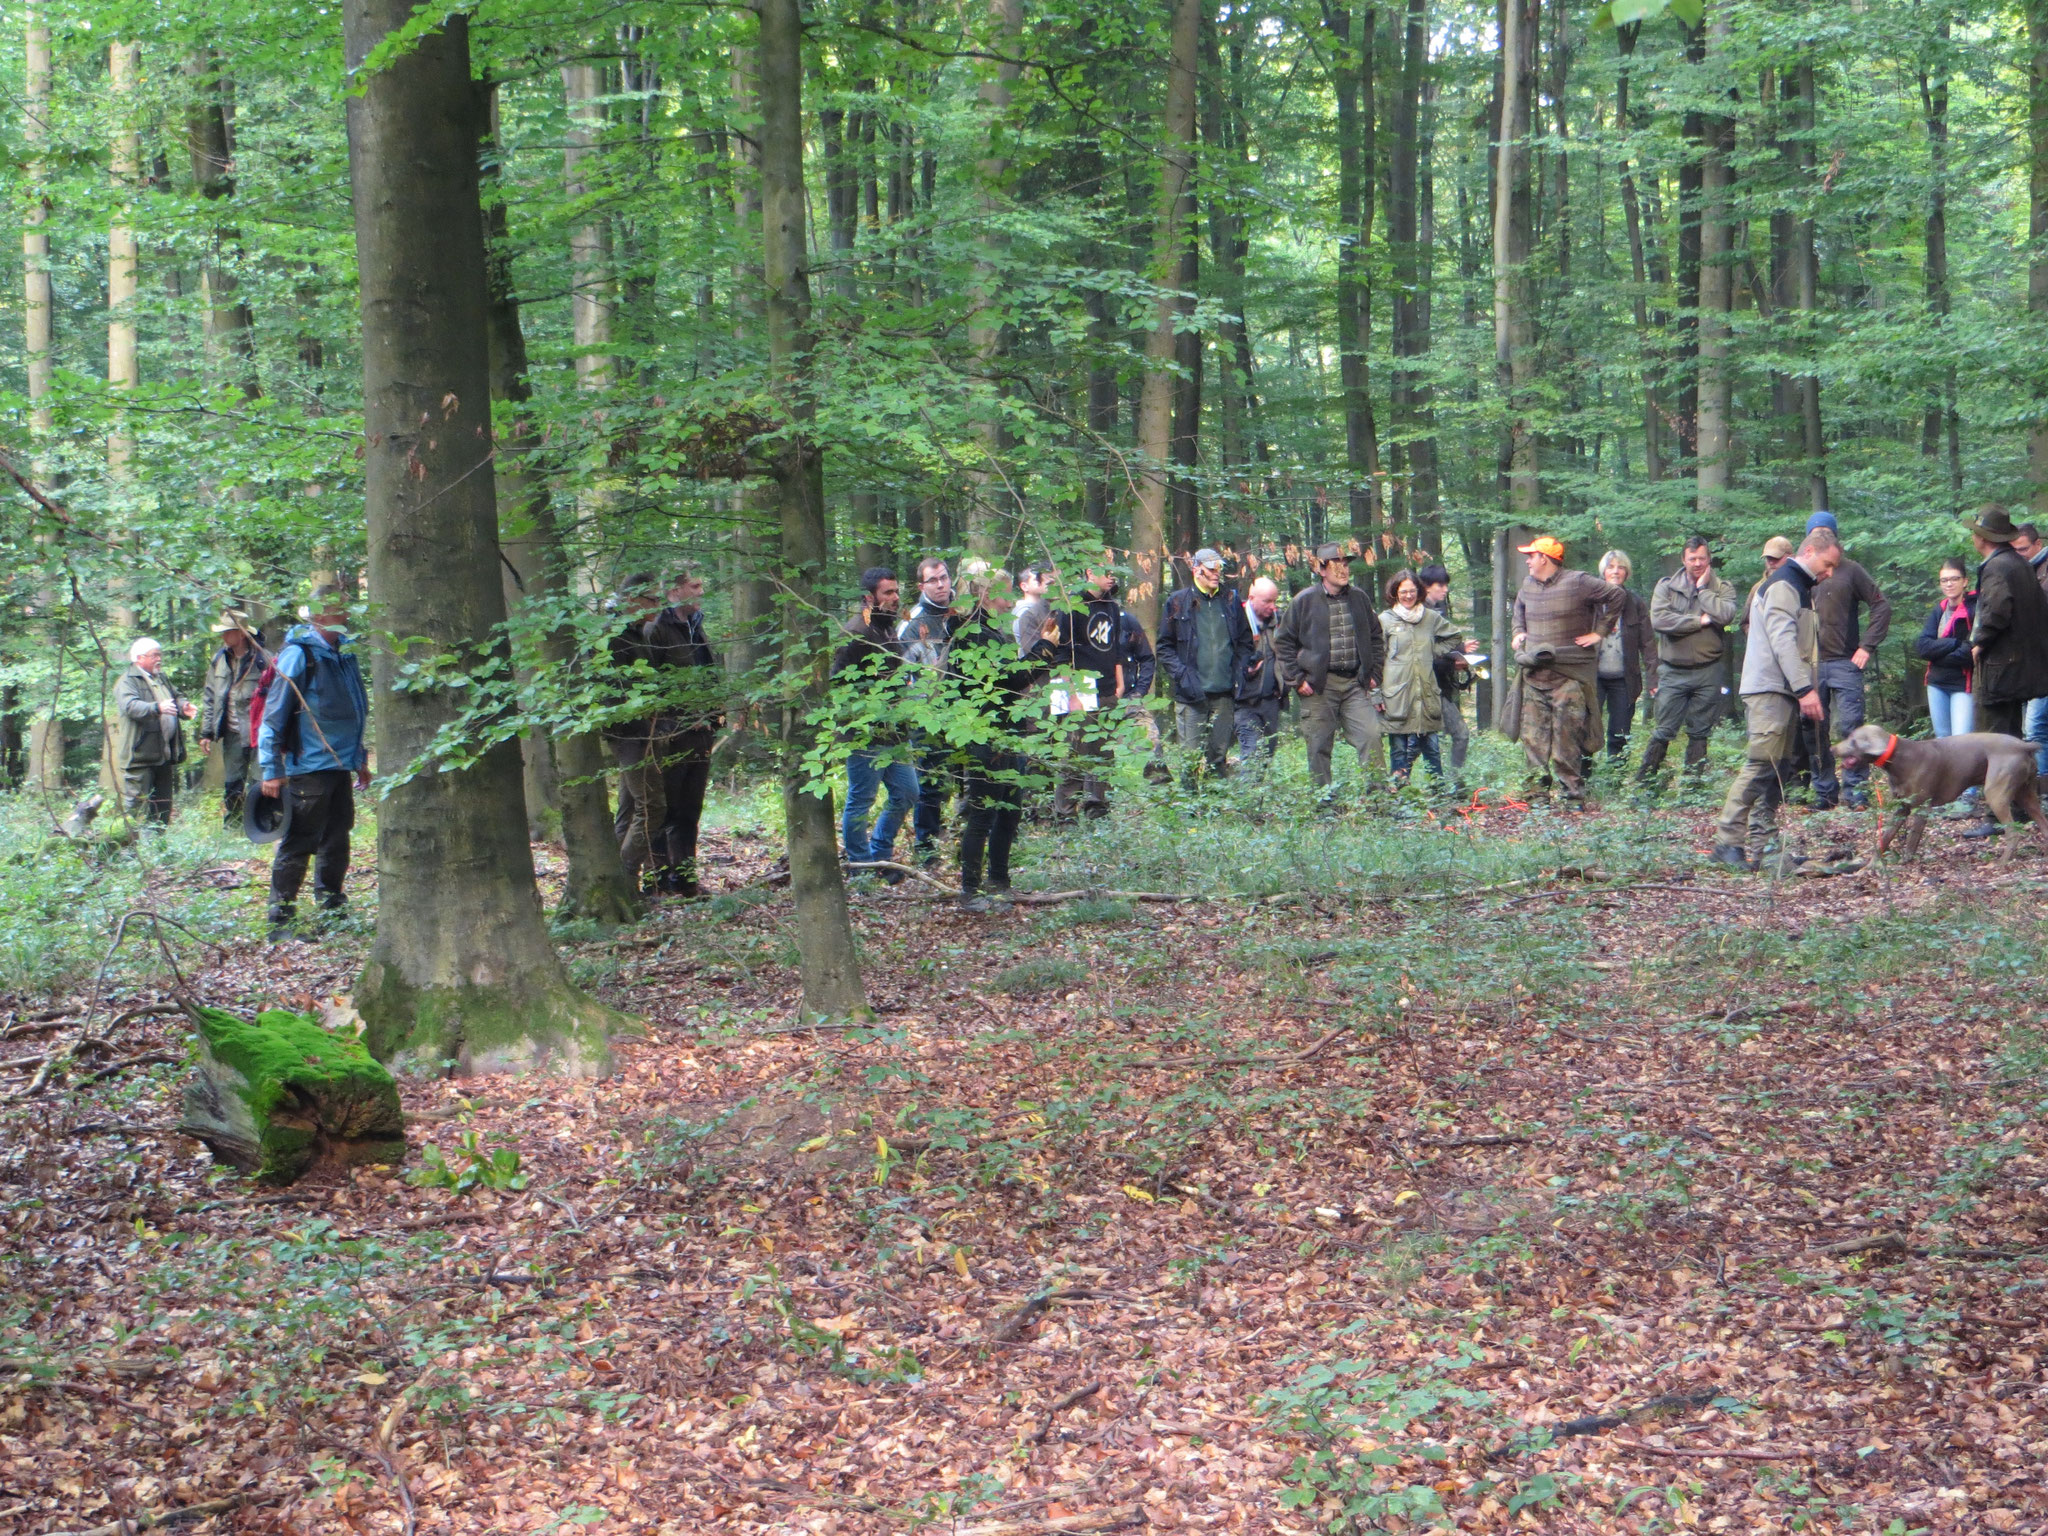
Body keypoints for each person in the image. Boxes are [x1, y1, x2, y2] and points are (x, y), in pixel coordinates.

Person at [1711, 527, 1841, 870]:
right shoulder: (1784, 585)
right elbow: (1783, 641)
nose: (1829, 573)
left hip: (1782, 690)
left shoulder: (1799, 586)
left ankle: (1765, 846)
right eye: (1827, 564)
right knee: (1760, 765)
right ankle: (1727, 843)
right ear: (1810, 552)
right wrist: (1805, 689)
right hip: (1769, 688)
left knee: (1778, 769)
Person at [257, 581, 371, 933]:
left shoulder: (344, 654)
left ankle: (331, 913)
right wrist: (271, 769)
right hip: (308, 767)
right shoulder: (299, 654)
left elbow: (355, 711)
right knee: (300, 840)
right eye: (341, 608)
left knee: (337, 839)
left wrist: (360, 759)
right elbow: (273, 715)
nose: (347, 615)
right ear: (321, 614)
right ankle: (281, 921)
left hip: (339, 765)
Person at [947, 561, 1059, 910]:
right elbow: (1009, 681)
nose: (1010, 599)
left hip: (1008, 732)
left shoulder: (992, 631)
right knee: (983, 813)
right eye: (1004, 591)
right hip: (984, 736)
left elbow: (1011, 678)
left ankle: (999, 880)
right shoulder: (971, 634)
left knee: (1010, 810)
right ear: (985, 594)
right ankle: (970, 891)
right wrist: (1043, 648)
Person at [1506, 536, 1624, 808]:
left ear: (1544, 559)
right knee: (1533, 741)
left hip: (1569, 677)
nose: (1527, 560)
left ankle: (1572, 796)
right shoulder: (1527, 584)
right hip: (1534, 676)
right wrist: (1518, 631)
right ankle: (1537, 797)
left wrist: (1599, 633)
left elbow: (1617, 595)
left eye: (1531, 556)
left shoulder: (1579, 582)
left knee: (1567, 741)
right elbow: (1519, 608)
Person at [1274, 542, 1386, 794]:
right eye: (1336, 565)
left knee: (1371, 735)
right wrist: (1296, 679)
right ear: (1321, 569)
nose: (1343, 570)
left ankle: (1380, 798)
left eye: (1345, 564)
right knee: (1318, 744)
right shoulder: (1304, 601)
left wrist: (1374, 673)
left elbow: (1376, 637)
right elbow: (1283, 642)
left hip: (1354, 683)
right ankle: (1323, 800)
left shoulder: (1359, 598)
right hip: (1318, 686)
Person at [1804, 511, 1891, 809]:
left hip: (1845, 662)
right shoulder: (1801, 573)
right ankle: (1824, 792)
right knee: (1814, 728)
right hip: (1811, 665)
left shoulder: (1851, 570)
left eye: (1827, 532)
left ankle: (1856, 792)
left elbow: (1881, 606)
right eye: (1816, 532)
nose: (1822, 536)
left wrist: (1866, 646)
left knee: (1851, 727)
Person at [642, 569, 721, 896]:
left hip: (701, 736)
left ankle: (685, 879)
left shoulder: (697, 627)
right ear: (675, 591)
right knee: (664, 811)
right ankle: (656, 882)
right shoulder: (656, 630)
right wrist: (670, 726)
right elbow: (648, 687)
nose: (702, 591)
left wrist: (715, 719)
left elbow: (711, 679)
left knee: (690, 812)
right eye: (696, 585)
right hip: (670, 738)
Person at [833, 568, 916, 879]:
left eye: (896, 592)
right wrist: (869, 710)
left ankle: (880, 856)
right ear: (869, 597)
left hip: (895, 732)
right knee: (861, 799)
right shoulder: (856, 632)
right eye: (887, 593)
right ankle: (861, 866)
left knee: (908, 793)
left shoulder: (887, 628)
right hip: (864, 734)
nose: (895, 598)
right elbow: (838, 684)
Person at [1638, 536, 1738, 787]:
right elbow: (1660, 621)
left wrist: (1704, 592)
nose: (1697, 563)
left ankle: (1693, 789)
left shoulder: (1721, 587)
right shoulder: (1667, 587)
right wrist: (1700, 621)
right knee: (1664, 730)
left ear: (1709, 559)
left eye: (1701, 558)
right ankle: (1646, 785)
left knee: (1700, 731)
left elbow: (1725, 615)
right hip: (1673, 671)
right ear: (1683, 559)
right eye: (1692, 559)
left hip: (1708, 670)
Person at [1157, 547, 1253, 780]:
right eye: (1211, 569)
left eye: (1218, 568)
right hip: (1191, 696)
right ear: (1196, 569)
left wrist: (1238, 674)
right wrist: (1183, 676)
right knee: (1190, 759)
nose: (1215, 573)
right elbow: (1164, 647)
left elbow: (1245, 643)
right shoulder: (1177, 602)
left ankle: (1216, 810)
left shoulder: (1230, 601)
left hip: (1224, 694)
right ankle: (1189, 813)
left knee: (1218, 757)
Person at [1042, 567, 1130, 819]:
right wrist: (1072, 692)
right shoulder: (1072, 604)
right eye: (1107, 570)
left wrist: (1120, 681)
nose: (1113, 576)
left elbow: (1115, 647)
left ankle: (1097, 810)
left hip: (1107, 687)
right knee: (1076, 752)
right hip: (1079, 687)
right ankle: (1066, 814)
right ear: (1090, 573)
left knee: (1103, 753)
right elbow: (1062, 651)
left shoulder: (1111, 605)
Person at [604, 574, 668, 893]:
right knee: (653, 804)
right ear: (633, 600)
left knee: (630, 808)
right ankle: (624, 874)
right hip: (629, 734)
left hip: (645, 730)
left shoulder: (637, 632)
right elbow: (612, 691)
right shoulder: (614, 635)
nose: (659, 606)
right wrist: (639, 711)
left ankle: (619, 886)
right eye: (653, 599)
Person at [1966, 505, 2048, 741]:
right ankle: (2024, 779)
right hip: (2017, 669)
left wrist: (1979, 643)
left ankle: (2002, 779)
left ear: (1982, 538)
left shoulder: (1997, 566)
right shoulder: (2019, 563)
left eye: (1974, 533)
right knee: (2012, 740)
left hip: (2000, 670)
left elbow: (1996, 611)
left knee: (1991, 740)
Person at [1377, 569, 1465, 783]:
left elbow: (1454, 636)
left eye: (1412, 591)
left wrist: (1433, 650)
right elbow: (1376, 658)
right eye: (1403, 591)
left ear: (1419, 592)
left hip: (1426, 693)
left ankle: (1438, 793)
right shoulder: (1385, 620)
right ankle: (1399, 795)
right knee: (1398, 750)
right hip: (1396, 695)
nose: (1408, 595)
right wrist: (1375, 694)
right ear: (1395, 593)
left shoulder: (1430, 618)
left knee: (1432, 749)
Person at [899, 556, 960, 861]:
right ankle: (926, 848)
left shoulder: (964, 613)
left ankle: (964, 840)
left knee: (965, 778)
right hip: (929, 718)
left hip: (966, 713)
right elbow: (903, 678)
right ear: (922, 585)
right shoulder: (914, 625)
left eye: (944, 577)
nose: (940, 585)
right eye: (933, 580)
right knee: (931, 783)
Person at [196, 611, 269, 825]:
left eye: (227, 631)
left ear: (242, 633)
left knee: (260, 780)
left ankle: (260, 823)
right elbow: (210, 696)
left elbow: (276, 698)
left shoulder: (263, 659)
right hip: (231, 732)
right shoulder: (219, 659)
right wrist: (207, 732)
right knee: (233, 782)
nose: (223, 636)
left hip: (259, 732)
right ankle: (235, 823)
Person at [113, 637, 197, 824]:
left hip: (163, 755)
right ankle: (125, 847)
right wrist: (156, 708)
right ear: (139, 658)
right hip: (140, 756)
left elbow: (176, 697)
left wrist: (184, 707)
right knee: (134, 807)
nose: (159, 659)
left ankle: (158, 847)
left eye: (160, 654)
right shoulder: (127, 681)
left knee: (162, 807)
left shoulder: (161, 678)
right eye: (154, 655)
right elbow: (131, 707)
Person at [1417, 565, 1480, 776]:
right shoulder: (1419, 615)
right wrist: (1455, 662)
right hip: (1425, 688)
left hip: (1440, 687)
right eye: (1440, 585)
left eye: (1446, 585)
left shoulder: (1437, 612)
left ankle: (1450, 785)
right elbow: (1425, 656)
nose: (1445, 590)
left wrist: (1461, 650)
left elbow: (1441, 648)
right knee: (1442, 737)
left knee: (1440, 738)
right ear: (1426, 587)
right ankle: (1447, 785)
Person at [1594, 550, 1657, 761]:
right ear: (1603, 571)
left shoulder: (1635, 603)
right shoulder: (1590, 601)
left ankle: (1615, 782)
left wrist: (1653, 678)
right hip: (1592, 677)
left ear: (1627, 573)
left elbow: (1648, 643)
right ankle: (1581, 781)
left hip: (1625, 679)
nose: (1615, 571)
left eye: (1620, 567)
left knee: (1619, 733)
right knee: (1585, 730)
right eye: (1611, 567)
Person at [1915, 559, 1976, 739]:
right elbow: (1923, 647)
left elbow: (1968, 653)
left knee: (1961, 741)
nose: (1949, 584)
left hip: (1962, 685)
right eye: (1944, 580)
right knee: (1942, 741)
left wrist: (1936, 655)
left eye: (1954, 579)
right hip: (1936, 684)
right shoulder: (1939, 610)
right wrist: (1954, 643)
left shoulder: (1973, 609)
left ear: (1965, 581)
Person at [1234, 576, 1285, 772]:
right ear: (1251, 598)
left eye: (1275, 601)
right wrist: (1242, 670)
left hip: (1271, 701)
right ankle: (1246, 799)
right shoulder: (1236, 621)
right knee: (1252, 752)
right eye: (1267, 601)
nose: (1272, 606)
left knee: (1267, 756)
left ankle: (1258, 799)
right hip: (1244, 702)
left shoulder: (1279, 621)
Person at [2013, 524, 2048, 781]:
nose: (2020, 553)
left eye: (2023, 548)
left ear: (2038, 544)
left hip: (2043, 661)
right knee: (2035, 725)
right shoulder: (2023, 570)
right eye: (2014, 549)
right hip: (2031, 662)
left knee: (2035, 726)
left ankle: (2040, 784)